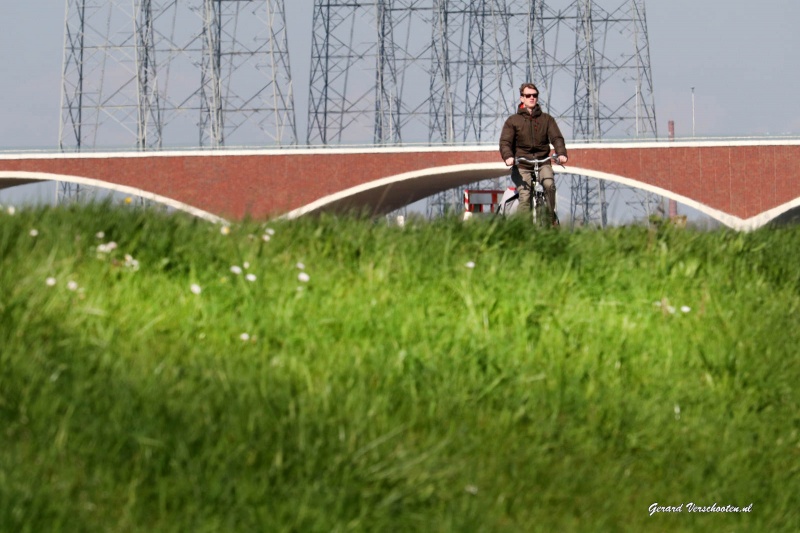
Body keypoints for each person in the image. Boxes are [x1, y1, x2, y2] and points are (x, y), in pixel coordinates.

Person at [499, 83, 568, 226]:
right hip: (522, 164)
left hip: (543, 161)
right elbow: (505, 142)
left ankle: (551, 220)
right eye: (528, 95)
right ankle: (524, 229)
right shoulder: (513, 121)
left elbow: (556, 138)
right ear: (522, 98)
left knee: (549, 185)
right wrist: (508, 157)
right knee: (525, 194)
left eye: (534, 95)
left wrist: (561, 153)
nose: (531, 98)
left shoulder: (547, 119)